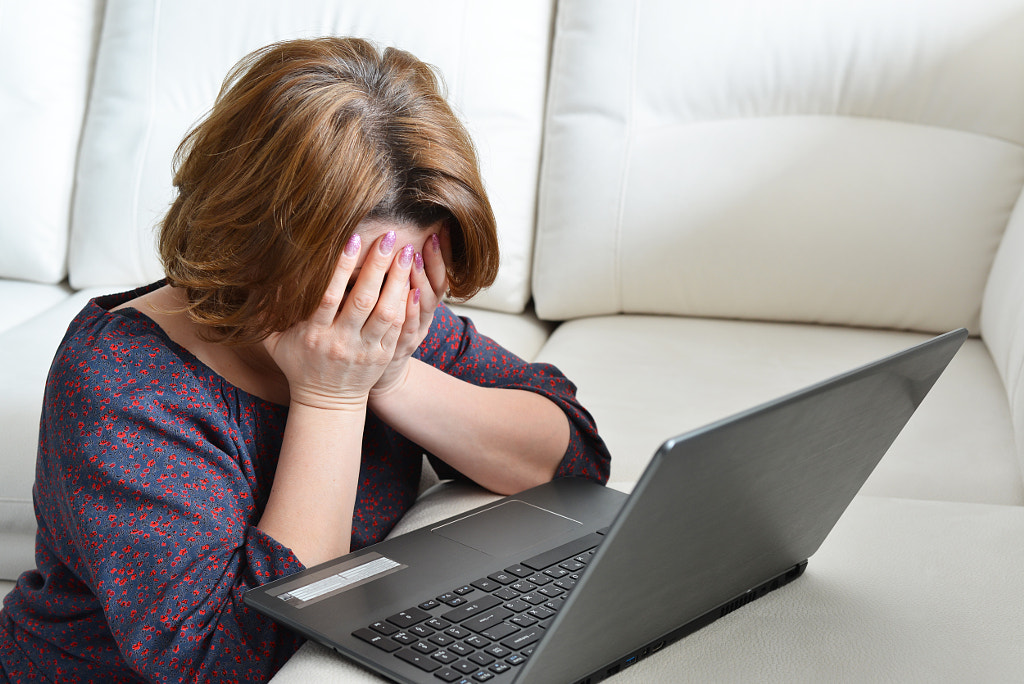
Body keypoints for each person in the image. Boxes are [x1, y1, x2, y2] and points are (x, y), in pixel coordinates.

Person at [0, 37, 609, 683]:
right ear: (250, 248)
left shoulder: (384, 310)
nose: (384, 308)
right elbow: (228, 661)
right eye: (356, 284)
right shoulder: (123, 383)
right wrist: (331, 398)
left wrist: (393, 374)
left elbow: (571, 460)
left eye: (407, 276)